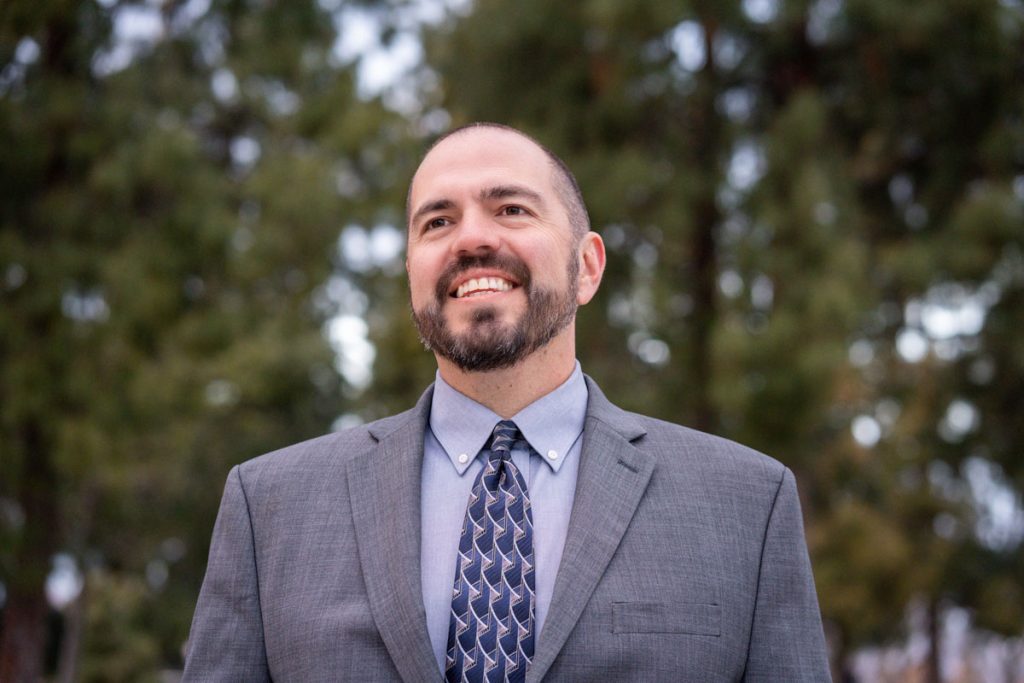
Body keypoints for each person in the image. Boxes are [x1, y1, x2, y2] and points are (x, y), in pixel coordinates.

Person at [183, 123, 831, 682]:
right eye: (438, 222)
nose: (470, 239)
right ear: (412, 273)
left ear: (588, 267)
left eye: (511, 209)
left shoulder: (748, 504)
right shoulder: (269, 508)